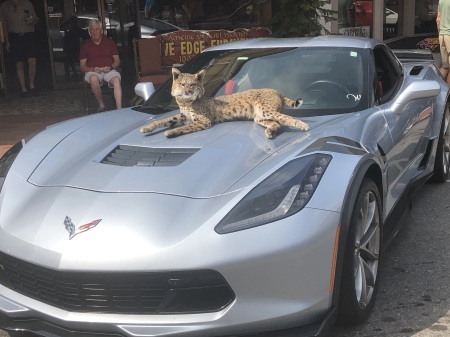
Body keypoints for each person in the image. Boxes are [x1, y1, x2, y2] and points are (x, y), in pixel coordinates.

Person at [79, 19, 122, 112]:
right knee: (93, 79)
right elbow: (82, 66)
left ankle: (119, 109)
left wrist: (110, 67)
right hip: (93, 71)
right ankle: (101, 105)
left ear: (101, 30)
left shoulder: (109, 43)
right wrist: (93, 69)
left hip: (108, 70)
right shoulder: (85, 45)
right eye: (92, 30)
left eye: (97, 29)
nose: (95, 32)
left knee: (116, 80)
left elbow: (117, 61)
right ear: (89, 31)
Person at [0, 0, 39, 97]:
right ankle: (23, 88)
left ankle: (32, 85)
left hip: (29, 34)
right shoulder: (4, 6)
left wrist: (32, 21)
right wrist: (7, 41)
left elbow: (36, 18)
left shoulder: (27, 3)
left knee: (32, 61)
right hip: (14, 36)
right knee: (19, 62)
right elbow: (3, 24)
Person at [62, 15, 89, 81]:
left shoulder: (69, 34)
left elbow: (65, 48)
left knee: (67, 58)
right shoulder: (82, 32)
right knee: (68, 58)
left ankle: (72, 75)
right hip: (80, 55)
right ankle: (75, 73)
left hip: (77, 55)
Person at [437, 0, 450, 85]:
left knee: (445, 67)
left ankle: (436, 88)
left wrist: (441, 33)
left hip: (442, 35)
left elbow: (438, 19)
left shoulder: (442, 1)